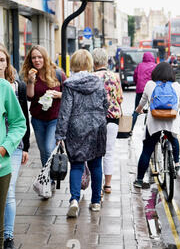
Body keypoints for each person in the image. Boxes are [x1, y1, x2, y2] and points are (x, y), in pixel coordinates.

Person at [55, 49, 109, 218]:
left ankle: (74, 200)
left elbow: (65, 111)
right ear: (89, 63)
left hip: (76, 129)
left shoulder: (69, 84)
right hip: (97, 127)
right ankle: (95, 202)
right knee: (96, 166)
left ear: (75, 64)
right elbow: (105, 105)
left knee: (77, 165)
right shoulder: (99, 82)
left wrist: (60, 134)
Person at [133, 62, 180, 189]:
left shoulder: (150, 85)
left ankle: (139, 180)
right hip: (171, 120)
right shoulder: (176, 86)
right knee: (173, 139)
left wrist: (137, 111)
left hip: (154, 121)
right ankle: (176, 163)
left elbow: (143, 101)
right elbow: (179, 103)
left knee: (147, 150)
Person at [0, 45, 28, 249]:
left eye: (2, 60)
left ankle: (8, 237)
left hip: (10, 150)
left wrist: (9, 147)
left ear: (7, 63)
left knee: (9, 193)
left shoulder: (12, 87)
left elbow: (21, 120)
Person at [21, 45, 65, 172]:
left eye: (40, 57)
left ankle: (49, 180)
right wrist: (30, 81)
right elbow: (30, 96)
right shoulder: (29, 74)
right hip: (38, 119)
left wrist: (59, 94)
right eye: (34, 58)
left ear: (45, 58)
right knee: (43, 152)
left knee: (48, 148)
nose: (37, 60)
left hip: (54, 118)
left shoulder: (57, 73)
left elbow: (69, 93)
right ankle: (46, 177)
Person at [92, 48, 123, 195]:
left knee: (95, 152)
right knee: (109, 151)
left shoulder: (91, 77)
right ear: (106, 61)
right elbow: (120, 98)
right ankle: (108, 185)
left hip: (94, 119)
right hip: (112, 118)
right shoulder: (114, 77)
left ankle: (96, 185)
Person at [132, 52, 157, 131]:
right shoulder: (155, 66)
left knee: (137, 109)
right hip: (152, 90)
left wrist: (137, 84)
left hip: (140, 89)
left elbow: (135, 76)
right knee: (151, 109)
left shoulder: (140, 65)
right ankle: (148, 127)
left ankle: (130, 128)